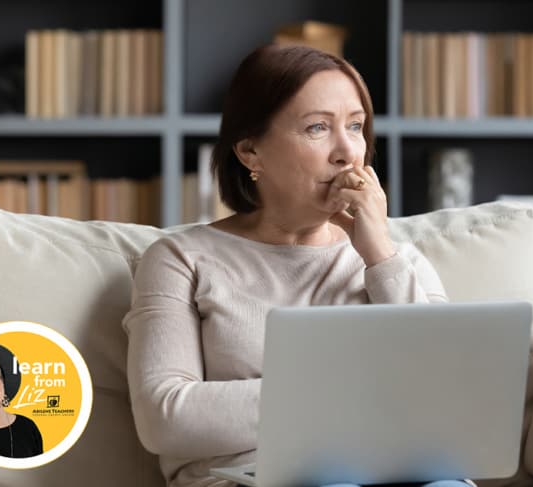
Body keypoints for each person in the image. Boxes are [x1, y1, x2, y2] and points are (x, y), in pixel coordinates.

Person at [123, 44, 467, 487]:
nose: (347, 152)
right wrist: (357, 395)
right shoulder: (180, 260)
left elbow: (444, 401)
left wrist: (379, 255)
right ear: (250, 152)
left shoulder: (395, 259)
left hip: (394, 472)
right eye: (318, 128)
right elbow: (164, 417)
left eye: (357, 127)